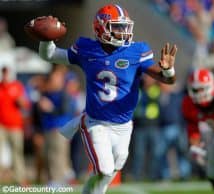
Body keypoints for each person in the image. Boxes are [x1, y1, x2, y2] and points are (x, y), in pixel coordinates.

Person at [35, 4, 177, 194]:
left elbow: (165, 79)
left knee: (112, 170)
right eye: (117, 27)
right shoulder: (86, 49)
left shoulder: (136, 51)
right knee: (104, 169)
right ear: (101, 27)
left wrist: (168, 70)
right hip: (96, 122)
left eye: (124, 27)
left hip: (124, 125)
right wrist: (46, 41)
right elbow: (51, 55)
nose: (123, 32)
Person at [0, 64, 29, 185]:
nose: (5, 75)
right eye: (4, 73)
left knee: (17, 152)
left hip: (15, 125)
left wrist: (21, 101)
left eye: (7, 73)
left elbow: (26, 105)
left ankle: (20, 179)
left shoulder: (17, 86)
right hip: (1, 125)